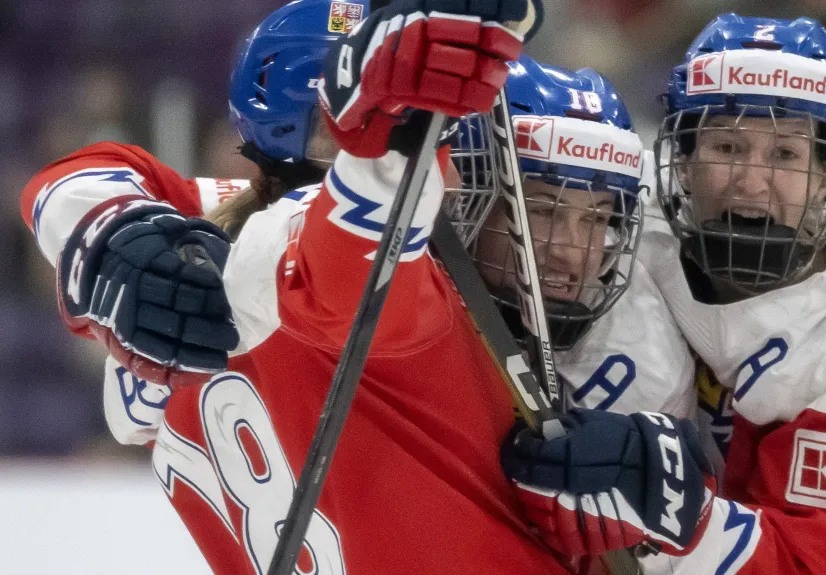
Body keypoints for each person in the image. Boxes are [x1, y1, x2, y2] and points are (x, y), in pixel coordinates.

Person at [21, 1, 584, 574]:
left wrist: (109, 230)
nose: (457, 171)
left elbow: (80, 173)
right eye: (447, 139)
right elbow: (346, 258)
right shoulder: (336, 259)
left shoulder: (205, 241)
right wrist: (395, 125)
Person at [501, 14, 826, 574]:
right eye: (728, 146)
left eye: (785, 155)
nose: (751, 182)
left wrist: (672, 505)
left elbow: (818, 565)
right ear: (682, 162)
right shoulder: (621, 214)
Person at [459, 54, 696, 418]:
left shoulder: (644, 364)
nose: (570, 253)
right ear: (465, 202)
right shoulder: (400, 308)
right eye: (543, 212)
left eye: (596, 218)